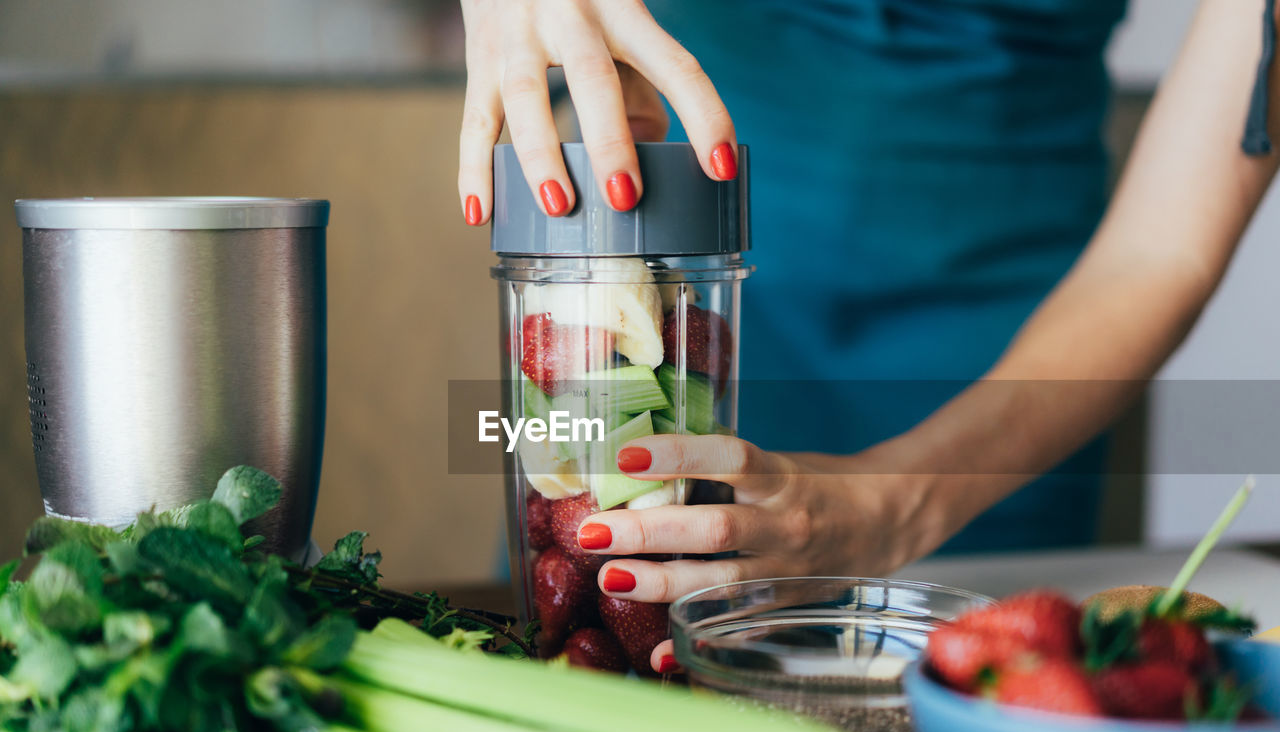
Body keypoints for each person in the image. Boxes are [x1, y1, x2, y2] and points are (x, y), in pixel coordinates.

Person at [458, 0, 1279, 670]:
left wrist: (903, 499)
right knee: (597, 621)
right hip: (659, 285)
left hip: (1003, 384)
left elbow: (1163, 249)